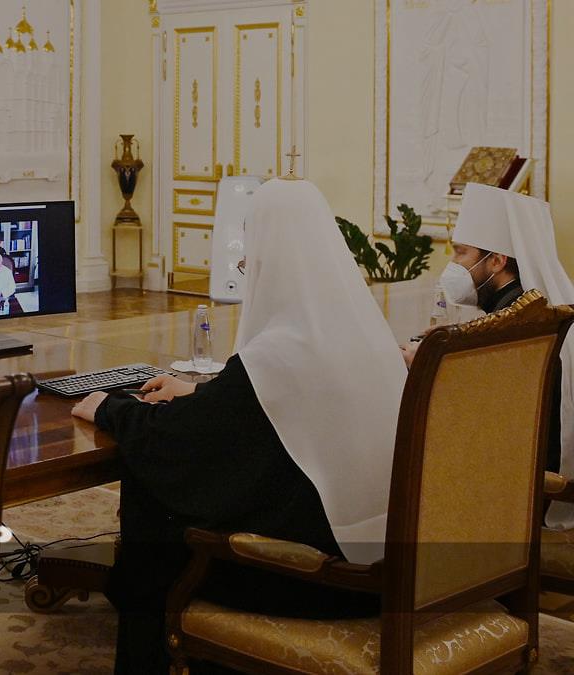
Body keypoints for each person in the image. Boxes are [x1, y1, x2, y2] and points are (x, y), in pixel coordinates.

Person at [71, 179, 405, 673]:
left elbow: (179, 442)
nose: (246, 269)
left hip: (322, 580)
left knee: (157, 493)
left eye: (249, 260)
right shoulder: (363, 335)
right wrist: (199, 393)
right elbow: (276, 407)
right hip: (390, 563)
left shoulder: (281, 351)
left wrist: (109, 407)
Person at [406, 183, 573, 529]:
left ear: (496, 261)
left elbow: (485, 417)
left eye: (461, 254)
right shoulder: (521, 308)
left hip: (512, 495)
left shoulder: (514, 323)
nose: (453, 265)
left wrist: (424, 364)